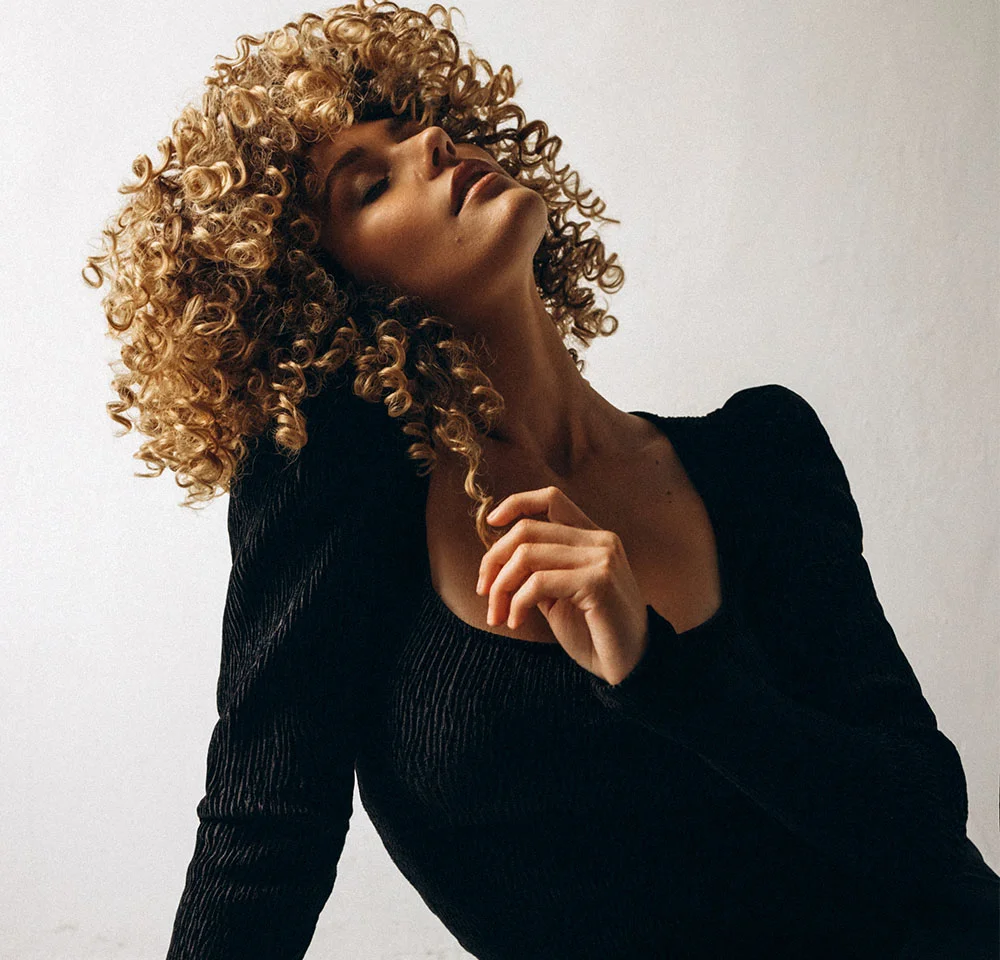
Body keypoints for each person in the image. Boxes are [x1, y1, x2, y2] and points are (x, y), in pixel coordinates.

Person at [84, 3, 999, 958]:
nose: (431, 145)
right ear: (324, 299)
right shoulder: (335, 499)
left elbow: (923, 818)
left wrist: (656, 670)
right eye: (370, 184)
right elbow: (262, 841)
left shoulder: (763, 451)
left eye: (414, 124)